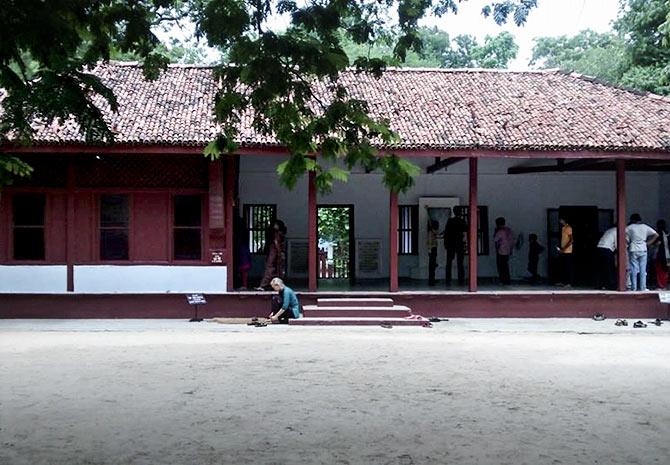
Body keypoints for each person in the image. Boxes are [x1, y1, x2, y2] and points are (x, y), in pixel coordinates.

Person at [625, 213, 658, 291]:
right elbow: (656, 235)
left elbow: (622, 233)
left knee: (633, 269)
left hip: (633, 248)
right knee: (643, 269)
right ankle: (643, 287)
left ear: (632, 220)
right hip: (643, 248)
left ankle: (634, 287)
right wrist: (648, 243)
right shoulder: (645, 227)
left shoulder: (630, 227)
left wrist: (628, 242)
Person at [256, 219, 287, 291]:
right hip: (277, 252)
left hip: (275, 252)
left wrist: (279, 252)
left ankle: (264, 285)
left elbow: (276, 243)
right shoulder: (280, 233)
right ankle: (277, 285)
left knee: (270, 268)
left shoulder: (277, 234)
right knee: (277, 269)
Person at [444, 210, 467, 286]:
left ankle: (448, 280)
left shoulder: (450, 221)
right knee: (460, 263)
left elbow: (446, 233)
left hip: (450, 243)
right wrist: (465, 243)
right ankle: (461, 280)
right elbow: (465, 233)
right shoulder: (462, 221)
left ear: (454, 212)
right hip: (459, 243)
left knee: (449, 263)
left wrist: (446, 244)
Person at [595, 225, 617, 290]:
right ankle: (611, 285)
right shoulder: (617, 231)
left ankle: (599, 285)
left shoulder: (609, 230)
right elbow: (618, 244)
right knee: (610, 268)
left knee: (601, 268)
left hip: (599, 247)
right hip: (607, 249)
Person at [493, 217, 513, 285]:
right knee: (506, 266)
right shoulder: (508, 230)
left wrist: (495, 232)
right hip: (508, 250)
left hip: (501, 251)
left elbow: (495, 239)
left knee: (501, 266)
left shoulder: (500, 231)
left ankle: (502, 280)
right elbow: (511, 241)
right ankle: (507, 280)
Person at [652, 220, 669, 290]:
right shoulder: (667, 233)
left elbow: (656, 244)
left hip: (660, 255)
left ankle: (661, 285)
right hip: (667, 255)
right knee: (666, 270)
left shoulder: (657, 234)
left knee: (660, 270)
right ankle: (665, 284)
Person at [557, 217, 574, 287]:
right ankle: (563, 281)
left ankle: (569, 283)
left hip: (568, 251)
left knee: (568, 267)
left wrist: (564, 249)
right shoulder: (563, 228)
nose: (559, 221)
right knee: (563, 267)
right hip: (563, 250)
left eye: (561, 220)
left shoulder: (568, 228)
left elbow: (571, 240)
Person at [427, 220, 439, 286]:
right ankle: (431, 281)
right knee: (432, 266)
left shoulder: (433, 232)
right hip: (432, 249)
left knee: (433, 265)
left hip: (433, 249)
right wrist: (429, 250)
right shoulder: (431, 233)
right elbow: (429, 243)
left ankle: (432, 279)